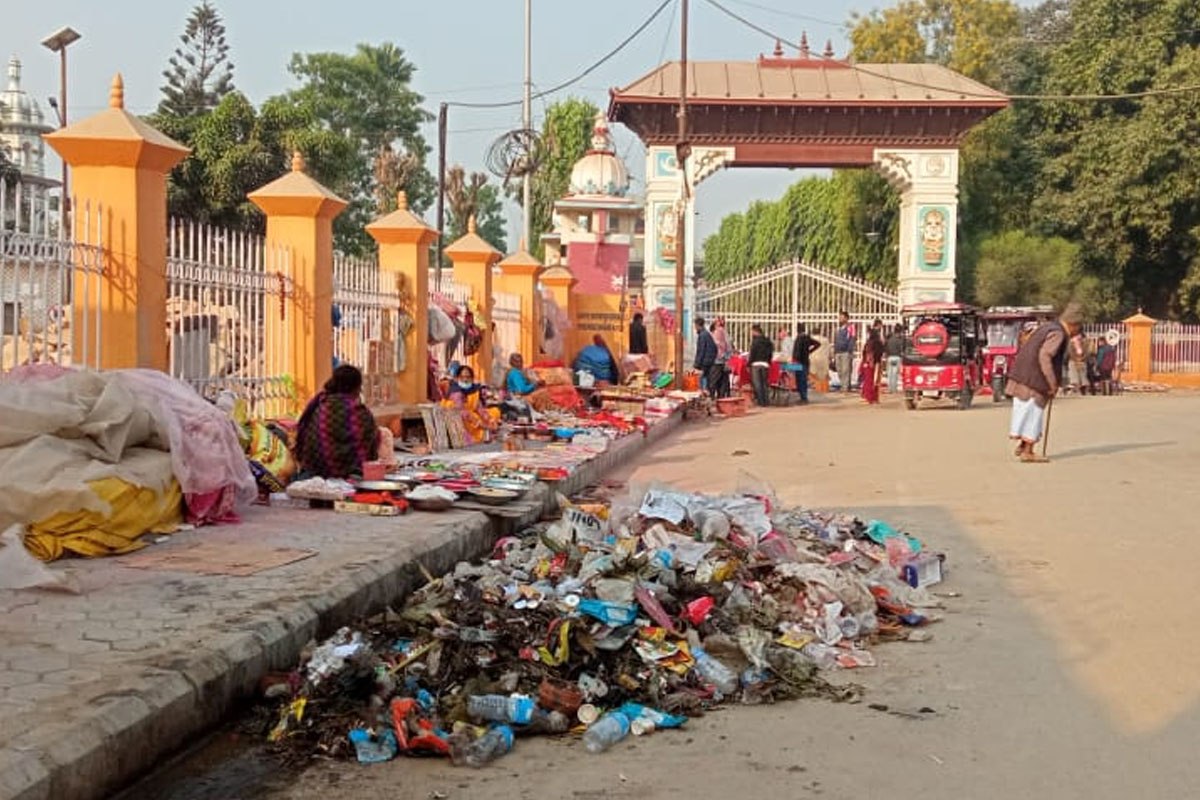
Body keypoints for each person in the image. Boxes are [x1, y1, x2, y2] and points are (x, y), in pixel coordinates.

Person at [1006, 303, 1083, 463]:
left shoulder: (1047, 327)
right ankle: (1028, 451)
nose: (1076, 332)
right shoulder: (1058, 333)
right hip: (1034, 379)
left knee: (1026, 412)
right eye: (1078, 328)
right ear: (1073, 325)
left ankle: (1023, 445)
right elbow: (1045, 356)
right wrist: (1052, 382)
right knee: (1033, 414)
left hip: (1023, 375)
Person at [295, 365, 378, 478]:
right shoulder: (360, 413)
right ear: (357, 387)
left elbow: (304, 437)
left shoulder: (321, 406)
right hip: (352, 475)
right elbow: (370, 445)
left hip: (316, 473)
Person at [444, 365, 499, 443]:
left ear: (472, 378)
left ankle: (488, 431)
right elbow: (462, 411)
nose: (465, 380)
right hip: (458, 417)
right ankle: (477, 437)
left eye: (468, 377)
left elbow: (479, 407)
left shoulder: (473, 389)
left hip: (470, 414)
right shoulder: (456, 391)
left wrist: (489, 419)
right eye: (462, 377)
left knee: (494, 412)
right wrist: (477, 422)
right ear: (457, 378)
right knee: (473, 420)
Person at [790, 323, 819, 404]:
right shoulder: (807, 338)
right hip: (805, 361)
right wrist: (809, 351)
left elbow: (796, 352)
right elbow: (818, 344)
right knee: (802, 380)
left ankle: (803, 398)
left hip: (799, 362)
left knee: (800, 380)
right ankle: (803, 397)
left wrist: (794, 359)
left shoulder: (799, 338)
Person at [748, 324, 773, 407]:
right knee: (764, 383)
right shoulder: (768, 341)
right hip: (765, 364)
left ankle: (761, 402)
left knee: (757, 384)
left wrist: (748, 364)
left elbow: (752, 354)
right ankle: (766, 401)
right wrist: (768, 362)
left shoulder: (755, 342)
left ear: (755, 331)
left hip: (756, 364)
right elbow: (770, 353)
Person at [694, 317, 719, 397]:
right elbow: (715, 348)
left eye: (695, 326)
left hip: (704, 363)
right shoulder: (707, 334)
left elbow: (701, 351)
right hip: (709, 362)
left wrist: (697, 364)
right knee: (707, 380)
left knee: (702, 380)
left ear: (698, 325)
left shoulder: (702, 335)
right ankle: (708, 395)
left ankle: (704, 395)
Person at [859, 327, 885, 405]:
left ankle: (869, 397)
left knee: (868, 381)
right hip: (876, 363)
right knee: (876, 381)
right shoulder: (878, 343)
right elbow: (880, 353)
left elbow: (864, 353)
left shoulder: (868, 343)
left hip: (868, 364)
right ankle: (875, 398)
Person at [833, 311, 856, 391]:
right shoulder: (839, 329)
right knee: (839, 370)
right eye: (839, 317)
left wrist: (850, 350)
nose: (840, 319)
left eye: (842, 317)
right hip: (838, 352)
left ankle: (845, 387)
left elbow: (852, 339)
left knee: (845, 370)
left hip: (846, 352)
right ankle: (844, 385)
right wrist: (835, 351)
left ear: (846, 318)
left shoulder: (850, 327)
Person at [711, 318, 732, 398]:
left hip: (717, 360)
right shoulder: (725, 333)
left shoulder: (716, 332)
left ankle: (712, 397)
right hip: (724, 360)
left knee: (714, 381)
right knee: (723, 381)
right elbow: (729, 347)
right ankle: (722, 397)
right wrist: (727, 357)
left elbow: (715, 345)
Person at [885, 323, 905, 393]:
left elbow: (886, 347)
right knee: (895, 374)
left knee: (890, 373)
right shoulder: (900, 340)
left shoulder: (889, 339)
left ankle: (890, 388)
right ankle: (894, 388)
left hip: (890, 357)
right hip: (897, 357)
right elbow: (902, 349)